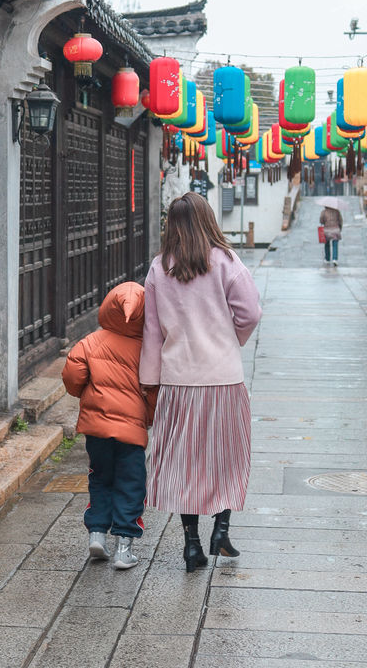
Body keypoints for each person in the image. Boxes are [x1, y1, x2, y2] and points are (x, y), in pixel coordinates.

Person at [139, 192, 262, 573]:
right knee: (226, 457)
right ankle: (220, 531)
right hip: (223, 379)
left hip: (179, 382)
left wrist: (150, 382)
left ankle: (192, 545)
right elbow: (251, 312)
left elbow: (152, 331)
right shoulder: (226, 261)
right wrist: (231, 339)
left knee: (184, 462)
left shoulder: (160, 268)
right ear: (208, 220)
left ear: (170, 226)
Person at [62, 282, 158, 570]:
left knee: (100, 478)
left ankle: (97, 534)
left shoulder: (90, 342)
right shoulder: (148, 350)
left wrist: (87, 396)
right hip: (131, 432)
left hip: (97, 429)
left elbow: (72, 375)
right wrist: (147, 419)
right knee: (131, 483)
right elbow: (153, 390)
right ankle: (124, 546)